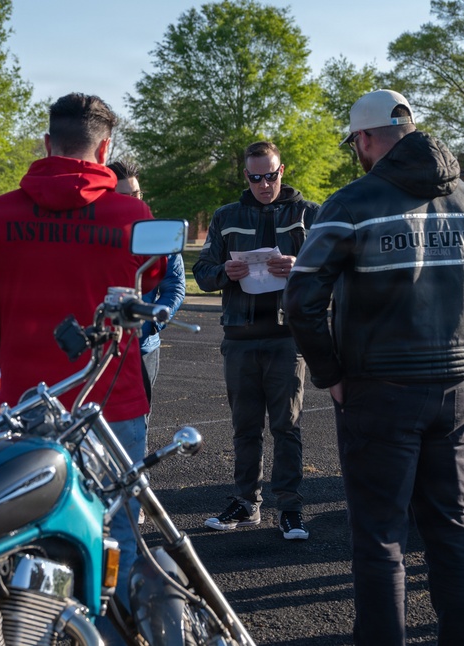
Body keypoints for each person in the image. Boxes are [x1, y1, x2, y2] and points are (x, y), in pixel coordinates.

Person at [286, 89, 464, 644]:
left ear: (364, 139)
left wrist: (329, 373)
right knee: (452, 526)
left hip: (378, 387)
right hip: (457, 384)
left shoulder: (350, 203)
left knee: (380, 537)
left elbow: (301, 300)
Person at [0, 92, 163, 620]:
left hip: (26, 401)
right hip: (112, 404)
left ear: (48, 143)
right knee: (115, 531)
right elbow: (148, 294)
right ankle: (111, 628)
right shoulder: (132, 215)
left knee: (23, 533)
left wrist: (22, 362)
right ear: (105, 148)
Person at [193, 141, 317, 541]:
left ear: (284, 170)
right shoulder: (226, 216)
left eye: (271, 174)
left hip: (286, 337)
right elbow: (203, 269)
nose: (264, 184)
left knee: (287, 426)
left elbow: (334, 267)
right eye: (255, 177)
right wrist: (222, 271)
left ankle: (290, 509)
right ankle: (246, 503)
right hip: (240, 337)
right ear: (245, 176)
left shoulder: (308, 214)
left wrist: (300, 267)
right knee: (245, 428)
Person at [108, 160, 186, 399]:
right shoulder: (94, 236)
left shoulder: (160, 234)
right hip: (100, 348)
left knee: (138, 425)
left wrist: (154, 322)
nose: (134, 201)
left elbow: (175, 285)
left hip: (143, 347)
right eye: (125, 195)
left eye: (137, 194)